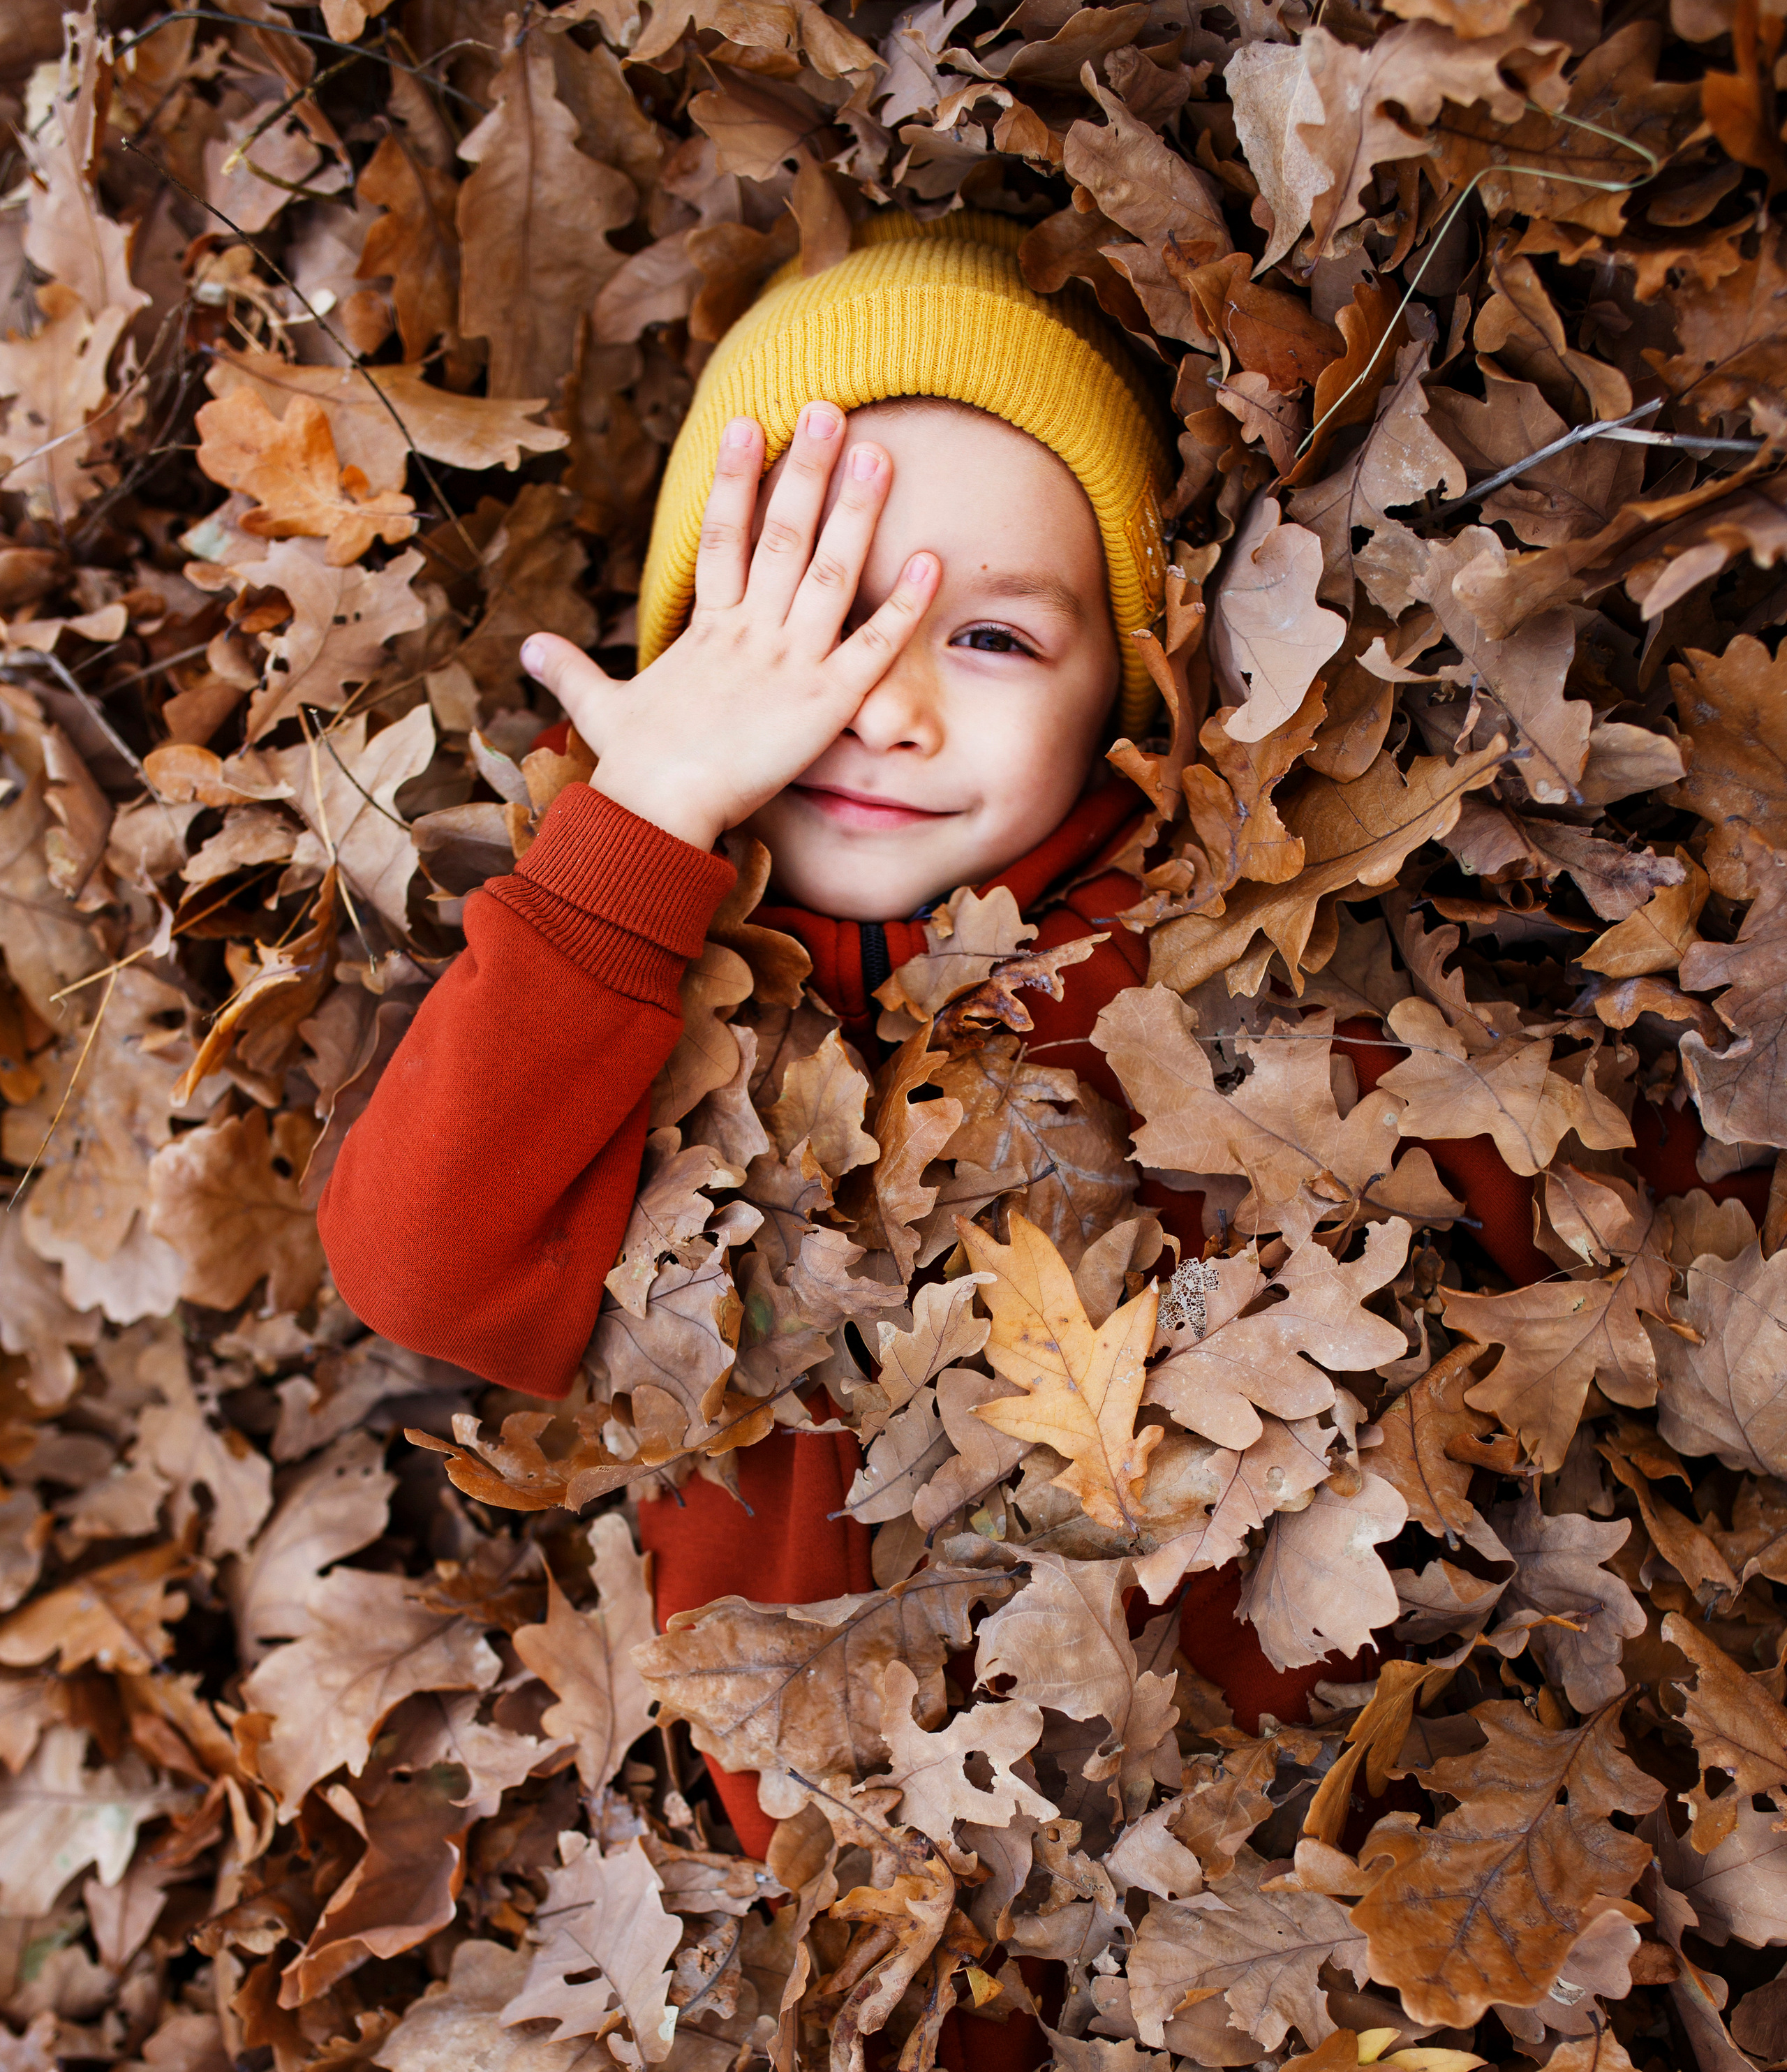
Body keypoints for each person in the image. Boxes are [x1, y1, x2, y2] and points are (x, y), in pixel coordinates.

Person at [317, 210, 1731, 1869]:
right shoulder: (612, 961)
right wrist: (640, 826)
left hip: (1270, 1825)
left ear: (1124, 695)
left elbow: (1608, 1197)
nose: (885, 705)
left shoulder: (1204, 964)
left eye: (988, 637)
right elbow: (419, 1269)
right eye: (806, 619)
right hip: (841, 1840)